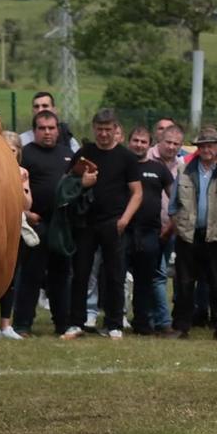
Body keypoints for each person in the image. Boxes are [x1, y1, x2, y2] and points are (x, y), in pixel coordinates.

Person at [1, 112, 79, 338]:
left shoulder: (68, 154)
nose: (47, 132)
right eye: (42, 128)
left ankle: (62, 324)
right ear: (34, 130)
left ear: (58, 130)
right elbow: (17, 185)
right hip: (36, 224)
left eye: (51, 128)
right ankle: (23, 324)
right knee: (30, 277)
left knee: (61, 276)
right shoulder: (28, 155)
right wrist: (27, 213)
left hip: (61, 227)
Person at [66, 109, 141, 338]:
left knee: (115, 275)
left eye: (108, 129)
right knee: (80, 273)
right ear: (93, 129)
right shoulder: (83, 153)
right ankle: (76, 322)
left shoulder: (126, 157)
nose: (104, 134)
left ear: (116, 130)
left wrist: (125, 219)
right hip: (86, 222)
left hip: (114, 222)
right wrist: (83, 183)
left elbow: (137, 192)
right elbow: (68, 185)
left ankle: (114, 324)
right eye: (100, 129)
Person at [167, 126, 217, 340]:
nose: (206, 149)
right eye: (203, 146)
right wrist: (178, 224)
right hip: (188, 235)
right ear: (198, 148)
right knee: (184, 282)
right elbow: (173, 204)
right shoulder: (185, 170)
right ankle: (181, 326)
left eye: (210, 145)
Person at [126, 126, 174, 336]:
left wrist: (170, 226)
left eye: (143, 141)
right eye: (135, 140)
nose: (139, 144)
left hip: (150, 232)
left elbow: (175, 199)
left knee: (146, 281)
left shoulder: (159, 168)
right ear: (129, 141)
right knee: (116, 278)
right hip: (124, 230)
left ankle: (142, 323)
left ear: (149, 144)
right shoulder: (122, 165)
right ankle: (115, 321)